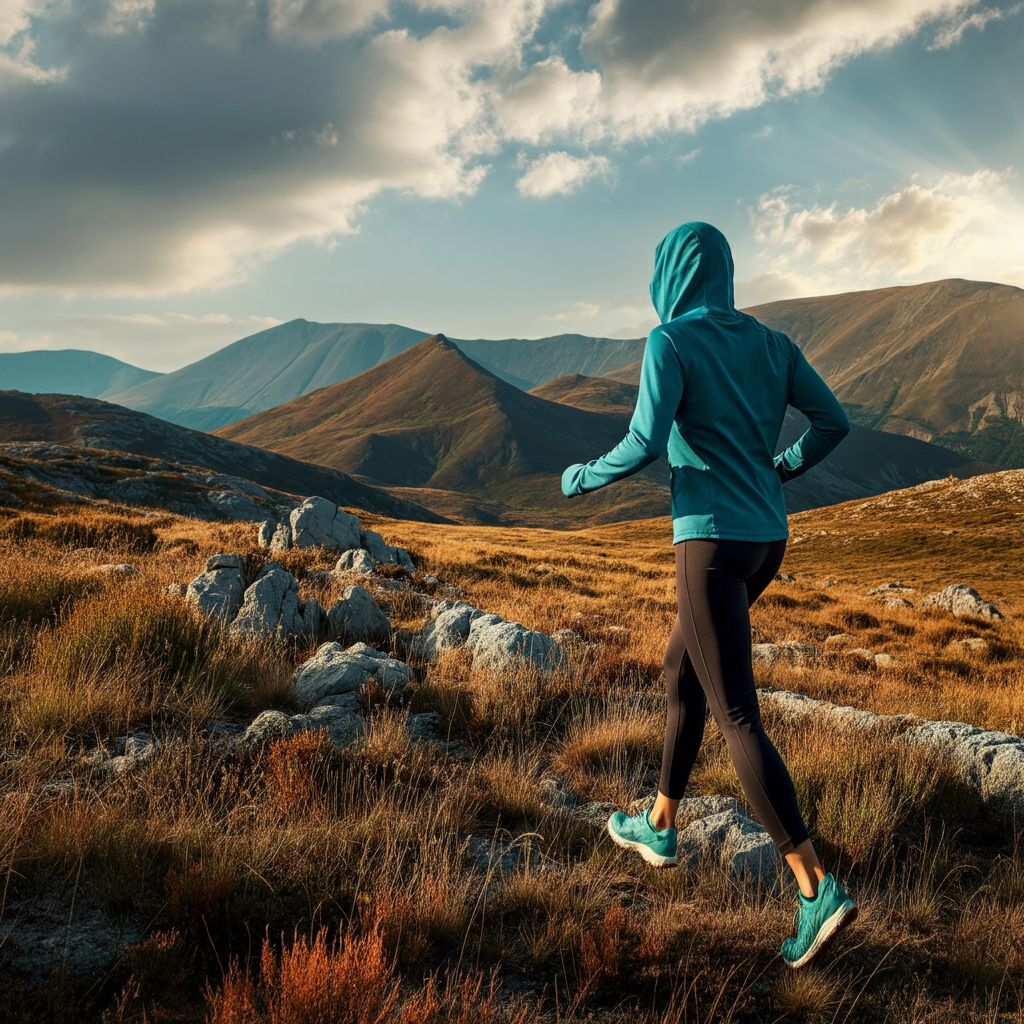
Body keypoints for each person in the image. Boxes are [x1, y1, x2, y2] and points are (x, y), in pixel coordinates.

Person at [561, 221, 856, 970]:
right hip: (766, 541)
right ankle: (660, 822)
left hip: (710, 544)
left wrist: (581, 477)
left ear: (668, 274)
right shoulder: (772, 344)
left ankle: (815, 886)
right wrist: (781, 467)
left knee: (735, 714)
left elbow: (645, 442)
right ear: (724, 271)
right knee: (680, 673)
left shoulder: (670, 342)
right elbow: (834, 421)